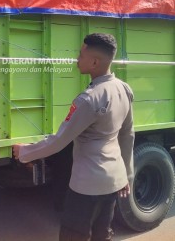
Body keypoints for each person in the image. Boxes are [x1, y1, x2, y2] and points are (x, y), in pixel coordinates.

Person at [13, 33, 134, 241]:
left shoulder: (88, 99)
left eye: (80, 55)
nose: (76, 59)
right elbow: (127, 134)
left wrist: (24, 152)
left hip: (87, 185)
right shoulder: (123, 88)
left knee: (74, 236)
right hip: (114, 180)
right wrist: (126, 175)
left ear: (95, 62)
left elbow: (60, 141)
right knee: (101, 235)